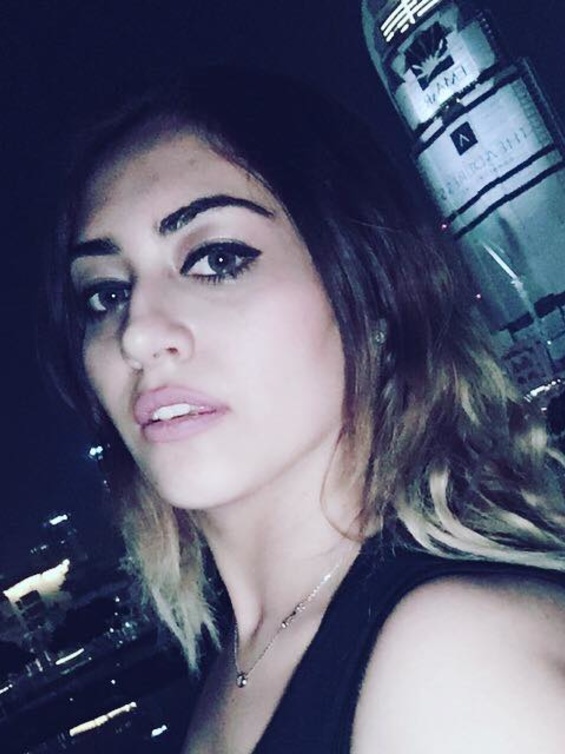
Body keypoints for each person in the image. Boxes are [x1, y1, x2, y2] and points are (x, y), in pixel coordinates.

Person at [44, 67, 565, 753]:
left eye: (217, 259)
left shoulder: (456, 664)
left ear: (372, 300)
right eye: (106, 293)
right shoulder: (235, 664)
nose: (137, 333)